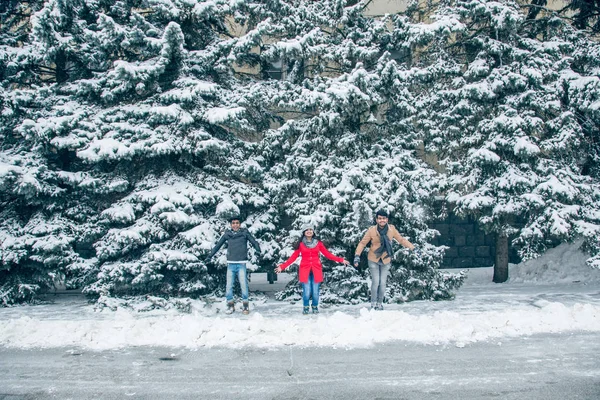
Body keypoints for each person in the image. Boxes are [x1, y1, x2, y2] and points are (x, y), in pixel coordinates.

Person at [275, 224, 350, 314]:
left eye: (311, 229)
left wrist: (341, 260)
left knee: (315, 291)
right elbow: (293, 258)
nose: (309, 231)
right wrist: (282, 266)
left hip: (316, 270)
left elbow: (328, 254)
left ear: (313, 232)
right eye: (307, 230)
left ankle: (315, 306)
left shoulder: (318, 243)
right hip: (304, 270)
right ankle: (306, 307)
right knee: (307, 291)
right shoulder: (301, 244)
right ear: (304, 232)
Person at [354, 210, 416, 310]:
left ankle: (379, 303)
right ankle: (373, 303)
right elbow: (362, 243)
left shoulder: (391, 230)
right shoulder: (372, 230)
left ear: (386, 219)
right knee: (376, 282)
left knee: (382, 283)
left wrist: (412, 247)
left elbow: (401, 240)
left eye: (383, 218)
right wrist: (357, 255)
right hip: (373, 258)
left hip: (386, 259)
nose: (382, 220)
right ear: (376, 220)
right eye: (379, 218)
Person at [206, 216, 261, 315]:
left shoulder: (244, 233)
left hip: (241, 263)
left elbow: (254, 242)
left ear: (240, 224)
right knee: (229, 286)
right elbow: (218, 245)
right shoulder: (228, 234)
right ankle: (230, 305)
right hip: (231, 264)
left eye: (237, 223)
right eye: (233, 223)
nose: (235, 225)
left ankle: (245, 305)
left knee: (243, 285)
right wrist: (210, 256)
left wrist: (258, 250)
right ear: (231, 225)